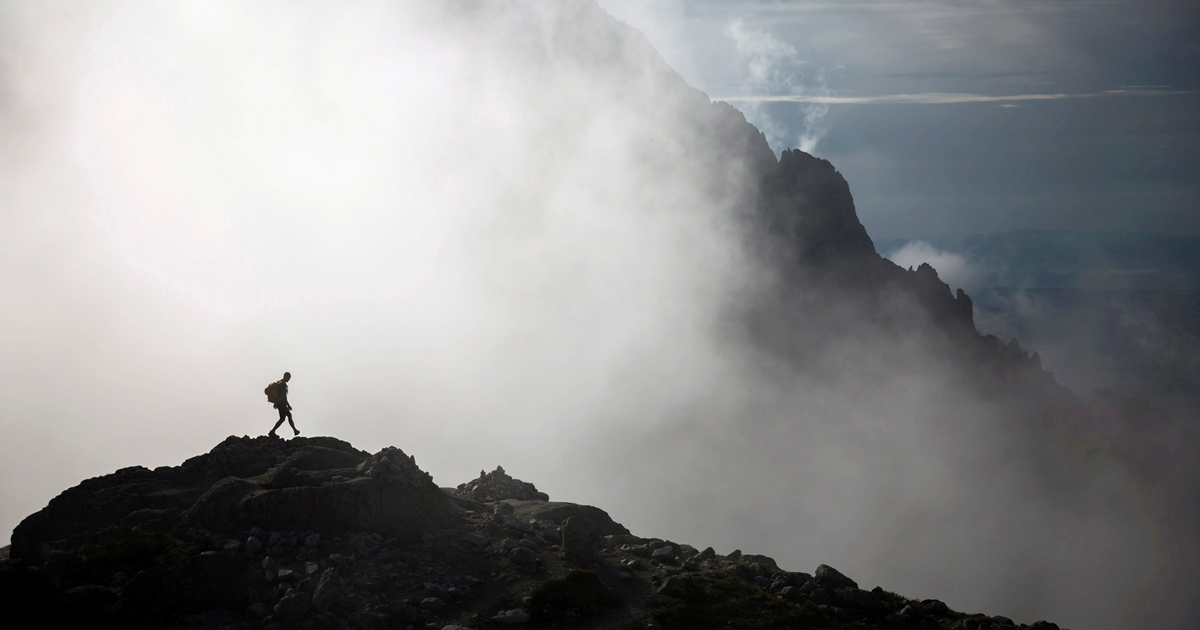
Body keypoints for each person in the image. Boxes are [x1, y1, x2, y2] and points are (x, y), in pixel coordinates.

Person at [268, 372, 298, 438]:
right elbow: (283, 396)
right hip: (281, 403)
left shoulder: (279, 383)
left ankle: (272, 432)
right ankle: (295, 430)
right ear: (286, 376)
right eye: (289, 378)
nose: (289, 379)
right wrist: (288, 405)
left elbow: (278, 394)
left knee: (282, 418)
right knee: (289, 415)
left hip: (279, 403)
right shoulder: (283, 384)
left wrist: (276, 402)